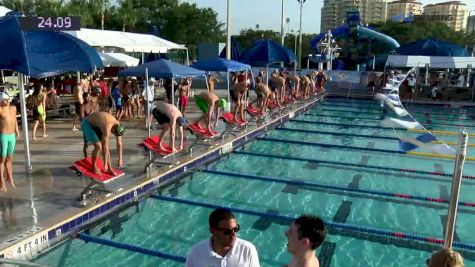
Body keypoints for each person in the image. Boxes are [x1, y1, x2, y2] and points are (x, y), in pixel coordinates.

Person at [186, 208, 260, 267]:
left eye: (236, 229)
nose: (233, 234)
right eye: (228, 231)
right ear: (213, 231)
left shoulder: (247, 250)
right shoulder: (196, 253)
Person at [0, 92, 19, 192]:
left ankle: (10, 178)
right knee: (2, 160)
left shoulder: (13, 108)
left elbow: (15, 120)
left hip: (12, 136)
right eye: (4, 100)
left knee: (9, 159)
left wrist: (17, 131)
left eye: (7, 99)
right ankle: (2, 182)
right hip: (3, 136)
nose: (6, 101)